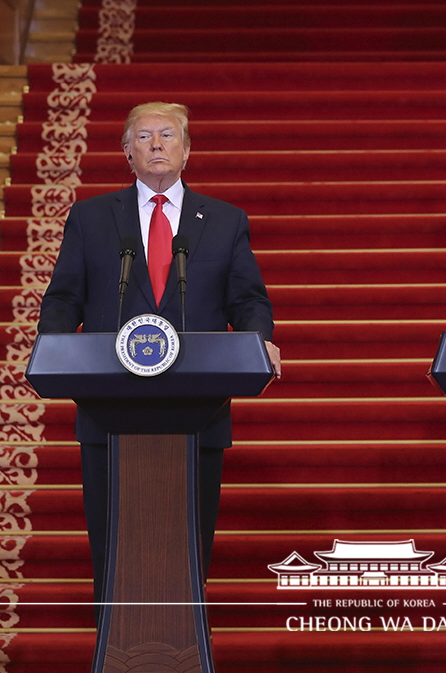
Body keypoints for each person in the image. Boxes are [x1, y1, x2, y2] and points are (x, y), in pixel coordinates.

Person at [36, 101, 280, 617]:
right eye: (143, 137)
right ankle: (115, 639)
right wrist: (54, 348)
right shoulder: (92, 217)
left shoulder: (224, 221)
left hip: (198, 411)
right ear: (126, 152)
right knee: (113, 544)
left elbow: (249, 300)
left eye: (167, 135)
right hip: (108, 414)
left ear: (187, 150)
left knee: (190, 542)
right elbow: (62, 299)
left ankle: (185, 639)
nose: (156, 146)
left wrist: (259, 339)